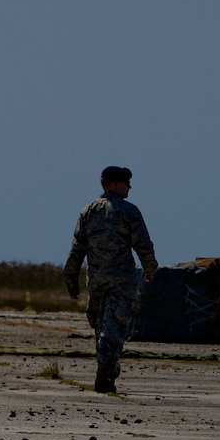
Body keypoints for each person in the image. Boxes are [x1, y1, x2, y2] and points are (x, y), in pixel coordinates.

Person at [65, 165, 159, 394]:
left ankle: (108, 368)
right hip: (122, 281)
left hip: (96, 281)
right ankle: (105, 376)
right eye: (127, 183)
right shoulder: (129, 211)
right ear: (115, 184)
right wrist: (150, 268)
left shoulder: (88, 211)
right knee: (113, 329)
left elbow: (77, 250)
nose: (130, 187)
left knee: (102, 329)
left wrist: (71, 280)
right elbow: (143, 244)